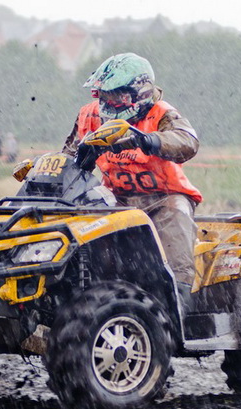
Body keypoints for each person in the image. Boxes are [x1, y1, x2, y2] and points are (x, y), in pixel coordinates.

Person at [62, 52, 202, 311]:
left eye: (117, 96)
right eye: (104, 96)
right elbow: (67, 160)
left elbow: (188, 141)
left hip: (163, 198)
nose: (109, 102)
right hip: (115, 199)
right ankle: (85, 296)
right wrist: (79, 157)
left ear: (141, 93)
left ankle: (179, 304)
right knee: (81, 235)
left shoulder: (162, 113)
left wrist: (150, 140)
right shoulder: (89, 116)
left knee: (175, 233)